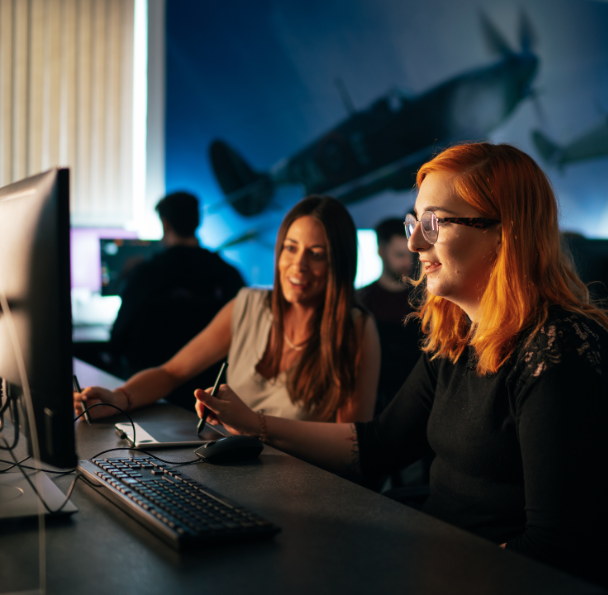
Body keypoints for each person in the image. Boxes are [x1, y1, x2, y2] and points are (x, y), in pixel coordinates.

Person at [191, 143, 608, 587]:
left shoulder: (559, 349)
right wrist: (256, 425)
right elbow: (379, 445)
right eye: (415, 222)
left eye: (435, 223)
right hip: (433, 551)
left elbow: (554, 548)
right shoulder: (457, 336)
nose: (413, 242)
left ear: (505, 232)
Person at [75, 195, 380, 423]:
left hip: (301, 489)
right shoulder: (246, 304)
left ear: (338, 263)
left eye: (316, 254)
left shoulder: (355, 328)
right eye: (290, 248)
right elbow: (172, 372)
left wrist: (257, 427)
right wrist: (119, 399)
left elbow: (350, 447)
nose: (298, 265)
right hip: (233, 467)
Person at [109, 191, 245, 410]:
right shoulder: (228, 274)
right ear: (198, 221)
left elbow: (117, 339)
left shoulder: (145, 274)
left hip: (149, 399)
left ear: (165, 223)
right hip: (213, 400)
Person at [358, 217, 421, 413]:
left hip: (417, 403)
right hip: (373, 405)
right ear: (381, 251)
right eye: (399, 254)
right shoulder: (360, 301)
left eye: (411, 254)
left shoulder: (424, 301)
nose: (407, 262)